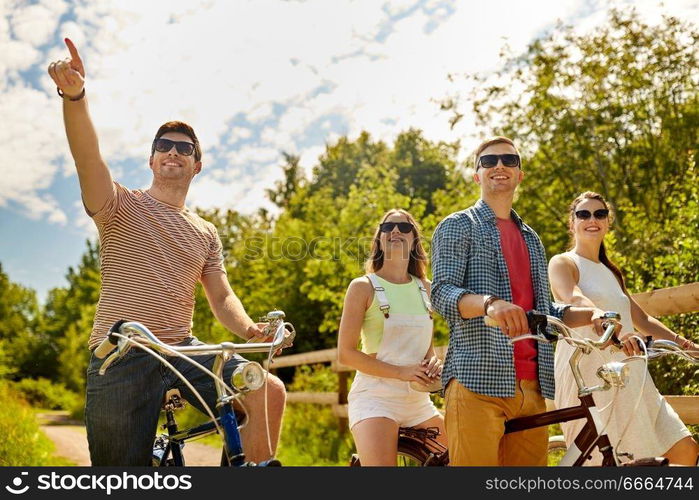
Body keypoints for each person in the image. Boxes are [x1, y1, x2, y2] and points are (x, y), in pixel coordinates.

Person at [48, 38, 286, 465]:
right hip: (120, 353)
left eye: (184, 148)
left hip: (184, 351)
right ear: (152, 159)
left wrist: (250, 330)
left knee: (267, 388)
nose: (173, 151)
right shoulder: (119, 205)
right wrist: (75, 96)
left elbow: (222, 297)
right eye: (164, 145)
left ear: (197, 164)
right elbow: (87, 158)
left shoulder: (206, 231)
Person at [431, 136, 613, 466]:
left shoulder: (532, 238)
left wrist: (593, 315)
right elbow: (441, 293)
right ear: (477, 175)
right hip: (477, 380)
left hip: (532, 387)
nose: (499, 166)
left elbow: (543, 311)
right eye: (489, 161)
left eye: (508, 161)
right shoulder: (458, 226)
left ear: (519, 174)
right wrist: (489, 304)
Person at [548, 191, 699, 465]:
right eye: (583, 214)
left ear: (608, 222)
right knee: (617, 462)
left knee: (684, 449)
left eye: (599, 214)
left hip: (631, 370)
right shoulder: (564, 263)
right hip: (592, 374)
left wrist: (687, 347)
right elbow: (574, 298)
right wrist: (605, 320)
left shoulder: (610, 271)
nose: (592, 219)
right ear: (572, 224)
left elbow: (642, 319)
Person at [337, 209, 446, 466]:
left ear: (415, 241)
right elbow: (345, 354)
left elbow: (426, 350)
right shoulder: (363, 287)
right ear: (379, 239)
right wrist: (401, 372)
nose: (395, 231)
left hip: (418, 402)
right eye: (387, 227)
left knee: (462, 459)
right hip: (375, 399)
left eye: (403, 227)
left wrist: (434, 364)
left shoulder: (426, 289)